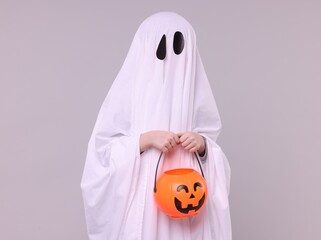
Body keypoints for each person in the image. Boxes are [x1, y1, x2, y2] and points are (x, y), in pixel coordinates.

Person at [81, 12, 232, 240]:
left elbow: (211, 148)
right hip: (142, 192)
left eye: (179, 47)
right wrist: (146, 139)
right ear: (144, 48)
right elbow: (101, 155)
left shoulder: (195, 91)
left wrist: (201, 145)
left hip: (186, 188)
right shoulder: (126, 95)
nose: (170, 59)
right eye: (161, 48)